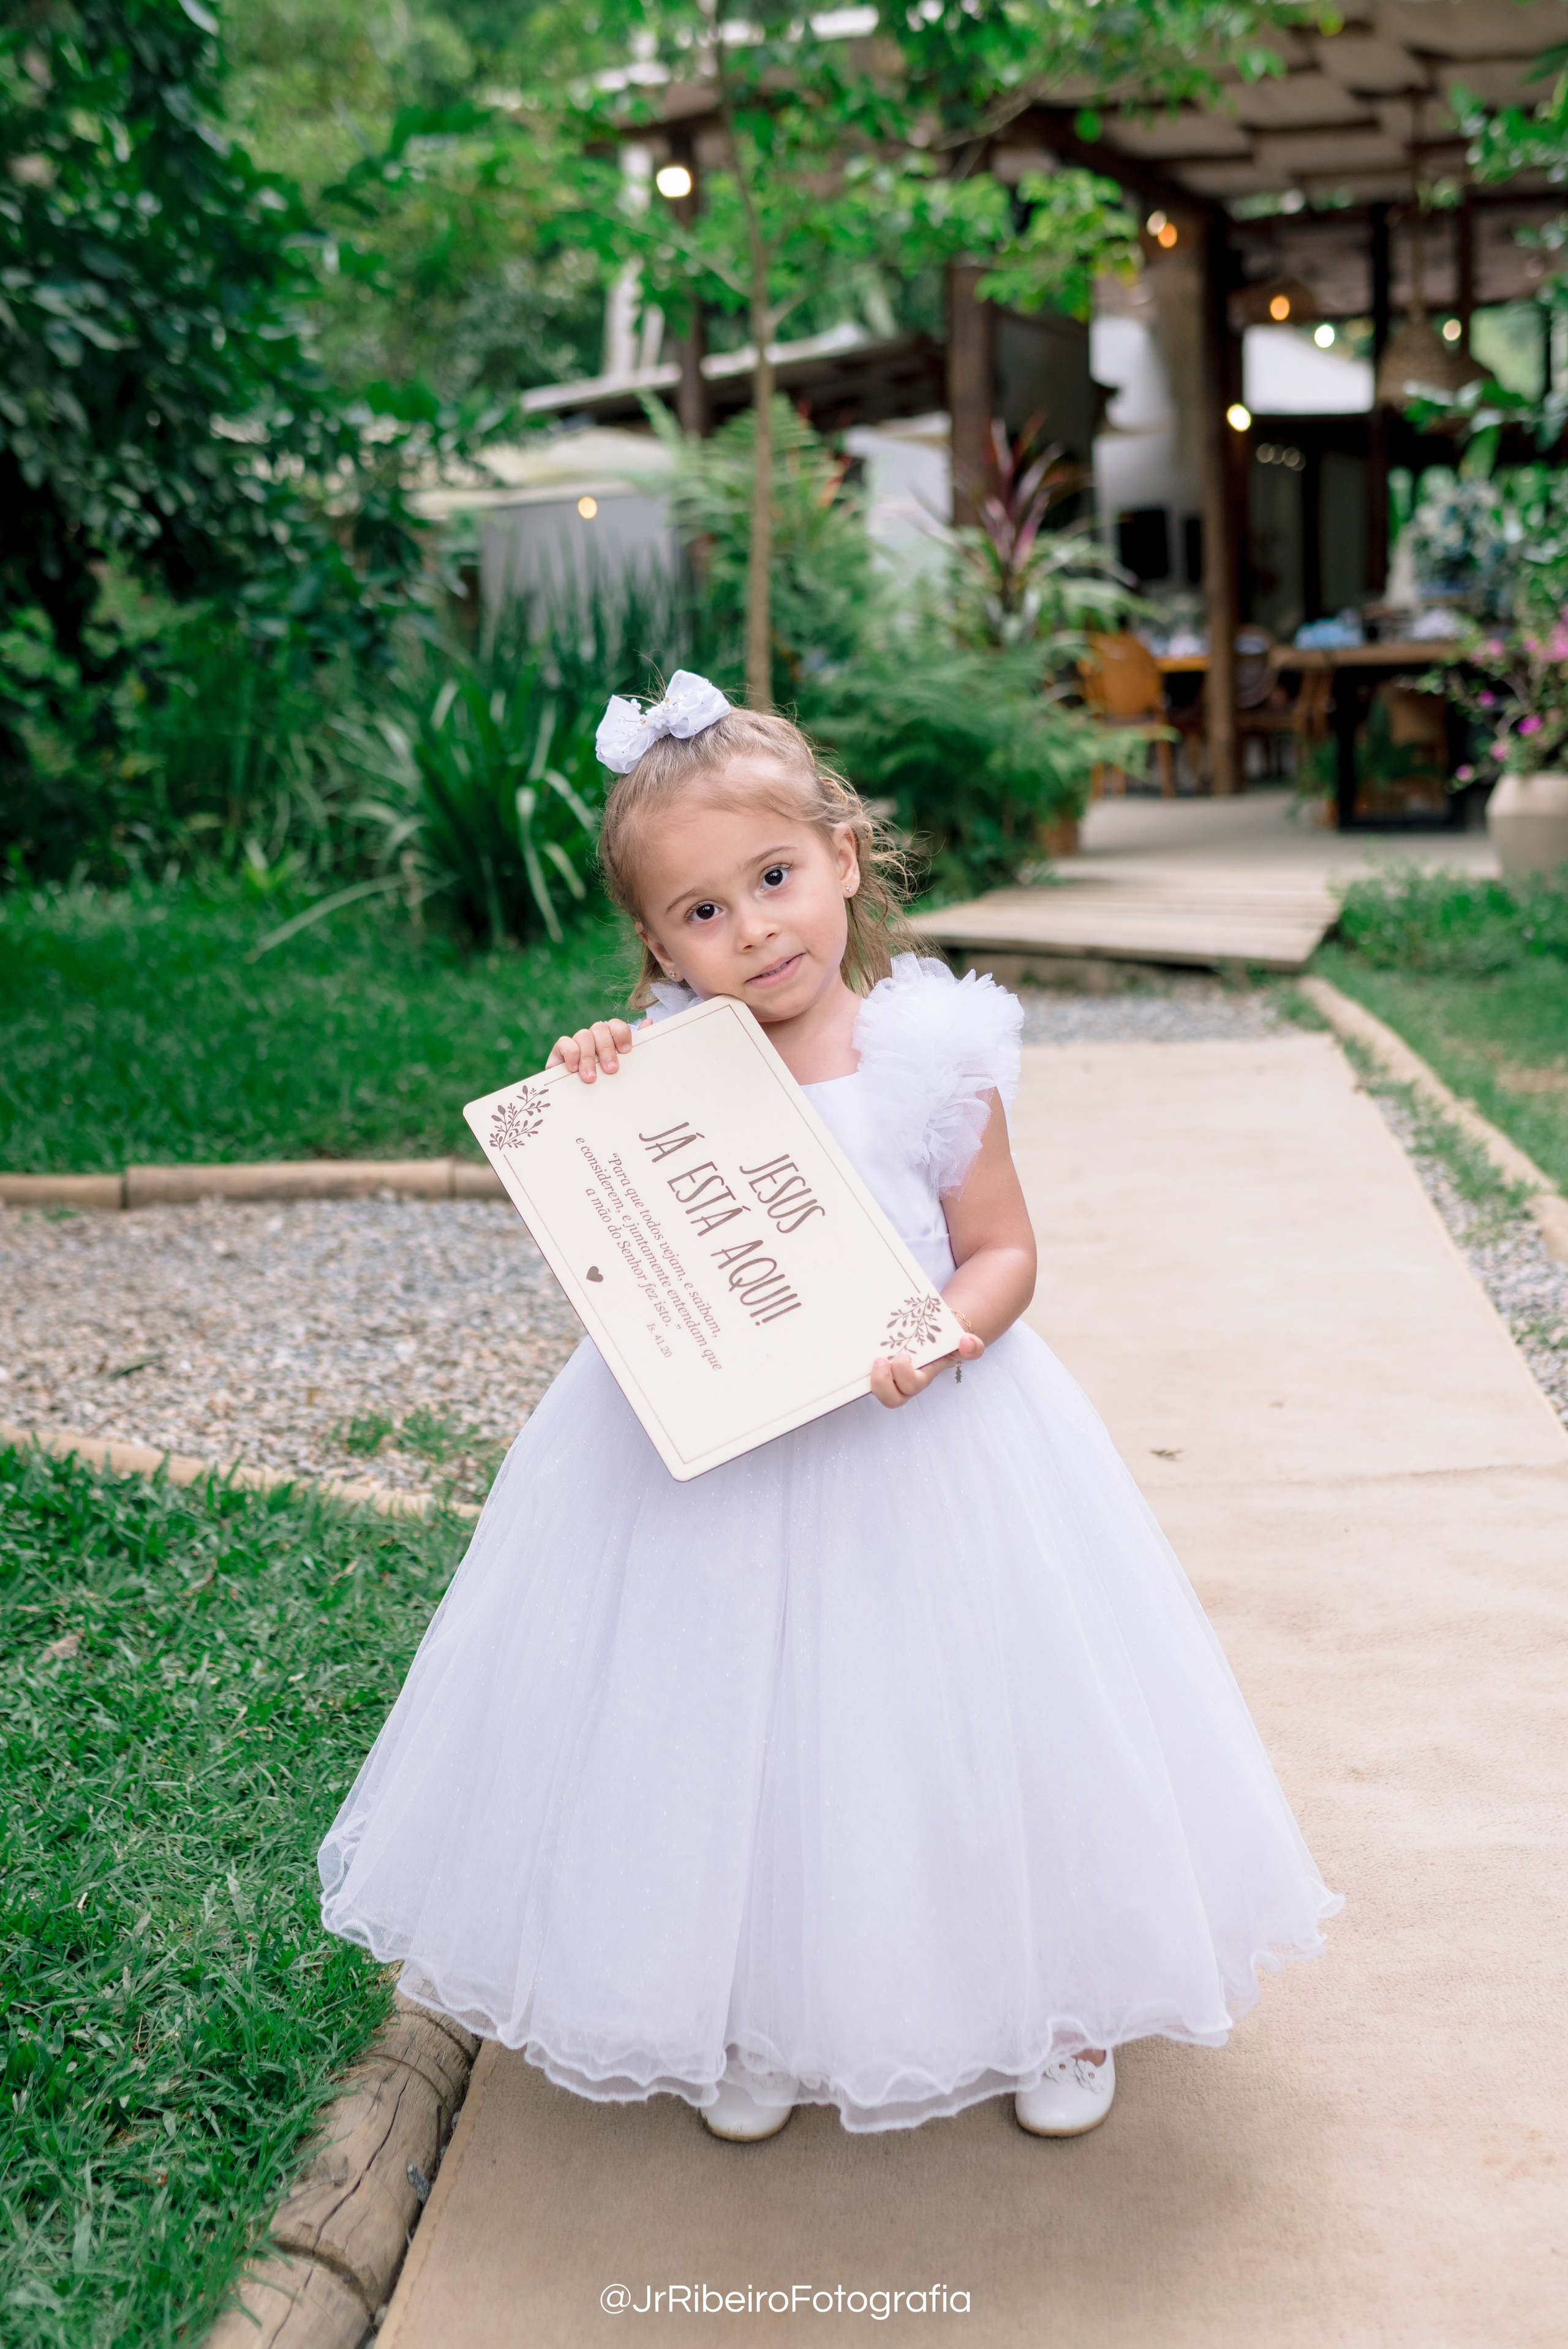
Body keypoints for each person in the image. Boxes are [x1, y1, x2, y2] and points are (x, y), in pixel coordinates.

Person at [318, 672, 1338, 2143]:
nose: (753, 931)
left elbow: (1004, 1252)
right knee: (727, 1730)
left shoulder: (927, 1053)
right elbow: (619, 1213)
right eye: (702, 914)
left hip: (922, 1433)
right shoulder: (663, 1062)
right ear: (657, 941)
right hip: (712, 1461)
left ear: (844, 859)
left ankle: (1058, 1993)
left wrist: (940, 1329)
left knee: (975, 1720)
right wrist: (592, 1076)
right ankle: (758, 2004)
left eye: (775, 879)